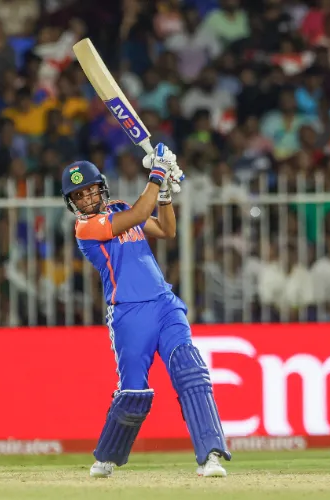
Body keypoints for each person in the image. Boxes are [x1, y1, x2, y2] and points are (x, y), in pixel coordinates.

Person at [61, 144, 231, 478]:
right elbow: (139, 216)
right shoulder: (85, 228)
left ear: (101, 187)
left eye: (89, 190)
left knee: (190, 371)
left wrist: (164, 191)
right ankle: (108, 456)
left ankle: (210, 455)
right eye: (77, 196)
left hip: (164, 304)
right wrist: (157, 173)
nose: (85, 199)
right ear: (72, 203)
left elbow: (167, 230)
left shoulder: (122, 206)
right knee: (135, 393)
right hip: (128, 314)